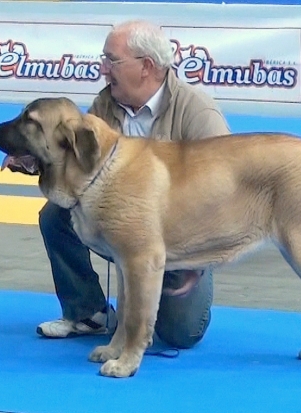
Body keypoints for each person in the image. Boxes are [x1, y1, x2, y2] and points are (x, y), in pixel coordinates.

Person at [36, 20, 230, 349]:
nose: (103, 69)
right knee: (56, 214)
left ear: (147, 67)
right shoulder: (103, 105)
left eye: (112, 60)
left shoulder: (197, 111)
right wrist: (36, 162)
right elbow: (79, 169)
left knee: (180, 334)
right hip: (119, 230)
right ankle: (88, 312)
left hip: (180, 242)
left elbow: (226, 192)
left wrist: (200, 262)